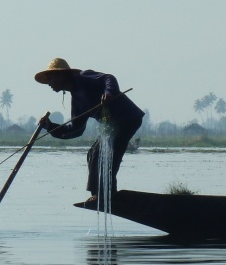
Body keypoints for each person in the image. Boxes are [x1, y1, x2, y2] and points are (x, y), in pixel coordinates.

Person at [34, 58, 144, 198]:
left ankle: (109, 195)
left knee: (106, 155)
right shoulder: (77, 101)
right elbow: (76, 129)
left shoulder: (83, 77)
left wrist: (109, 93)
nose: (49, 83)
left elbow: (109, 78)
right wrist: (50, 127)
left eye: (50, 78)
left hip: (128, 119)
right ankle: (97, 194)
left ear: (61, 75)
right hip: (113, 126)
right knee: (93, 154)